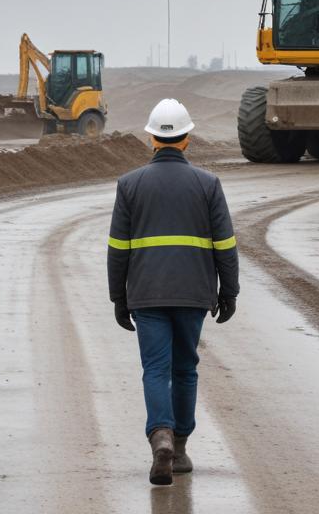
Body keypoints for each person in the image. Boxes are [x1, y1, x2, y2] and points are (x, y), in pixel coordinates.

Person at [107, 98, 239, 486]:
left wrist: (119, 297)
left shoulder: (129, 185)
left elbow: (118, 249)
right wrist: (229, 290)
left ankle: (159, 434)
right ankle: (178, 448)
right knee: (185, 369)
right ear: (187, 139)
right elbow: (225, 245)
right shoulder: (208, 184)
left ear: (151, 138)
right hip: (194, 294)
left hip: (146, 295)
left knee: (155, 369)